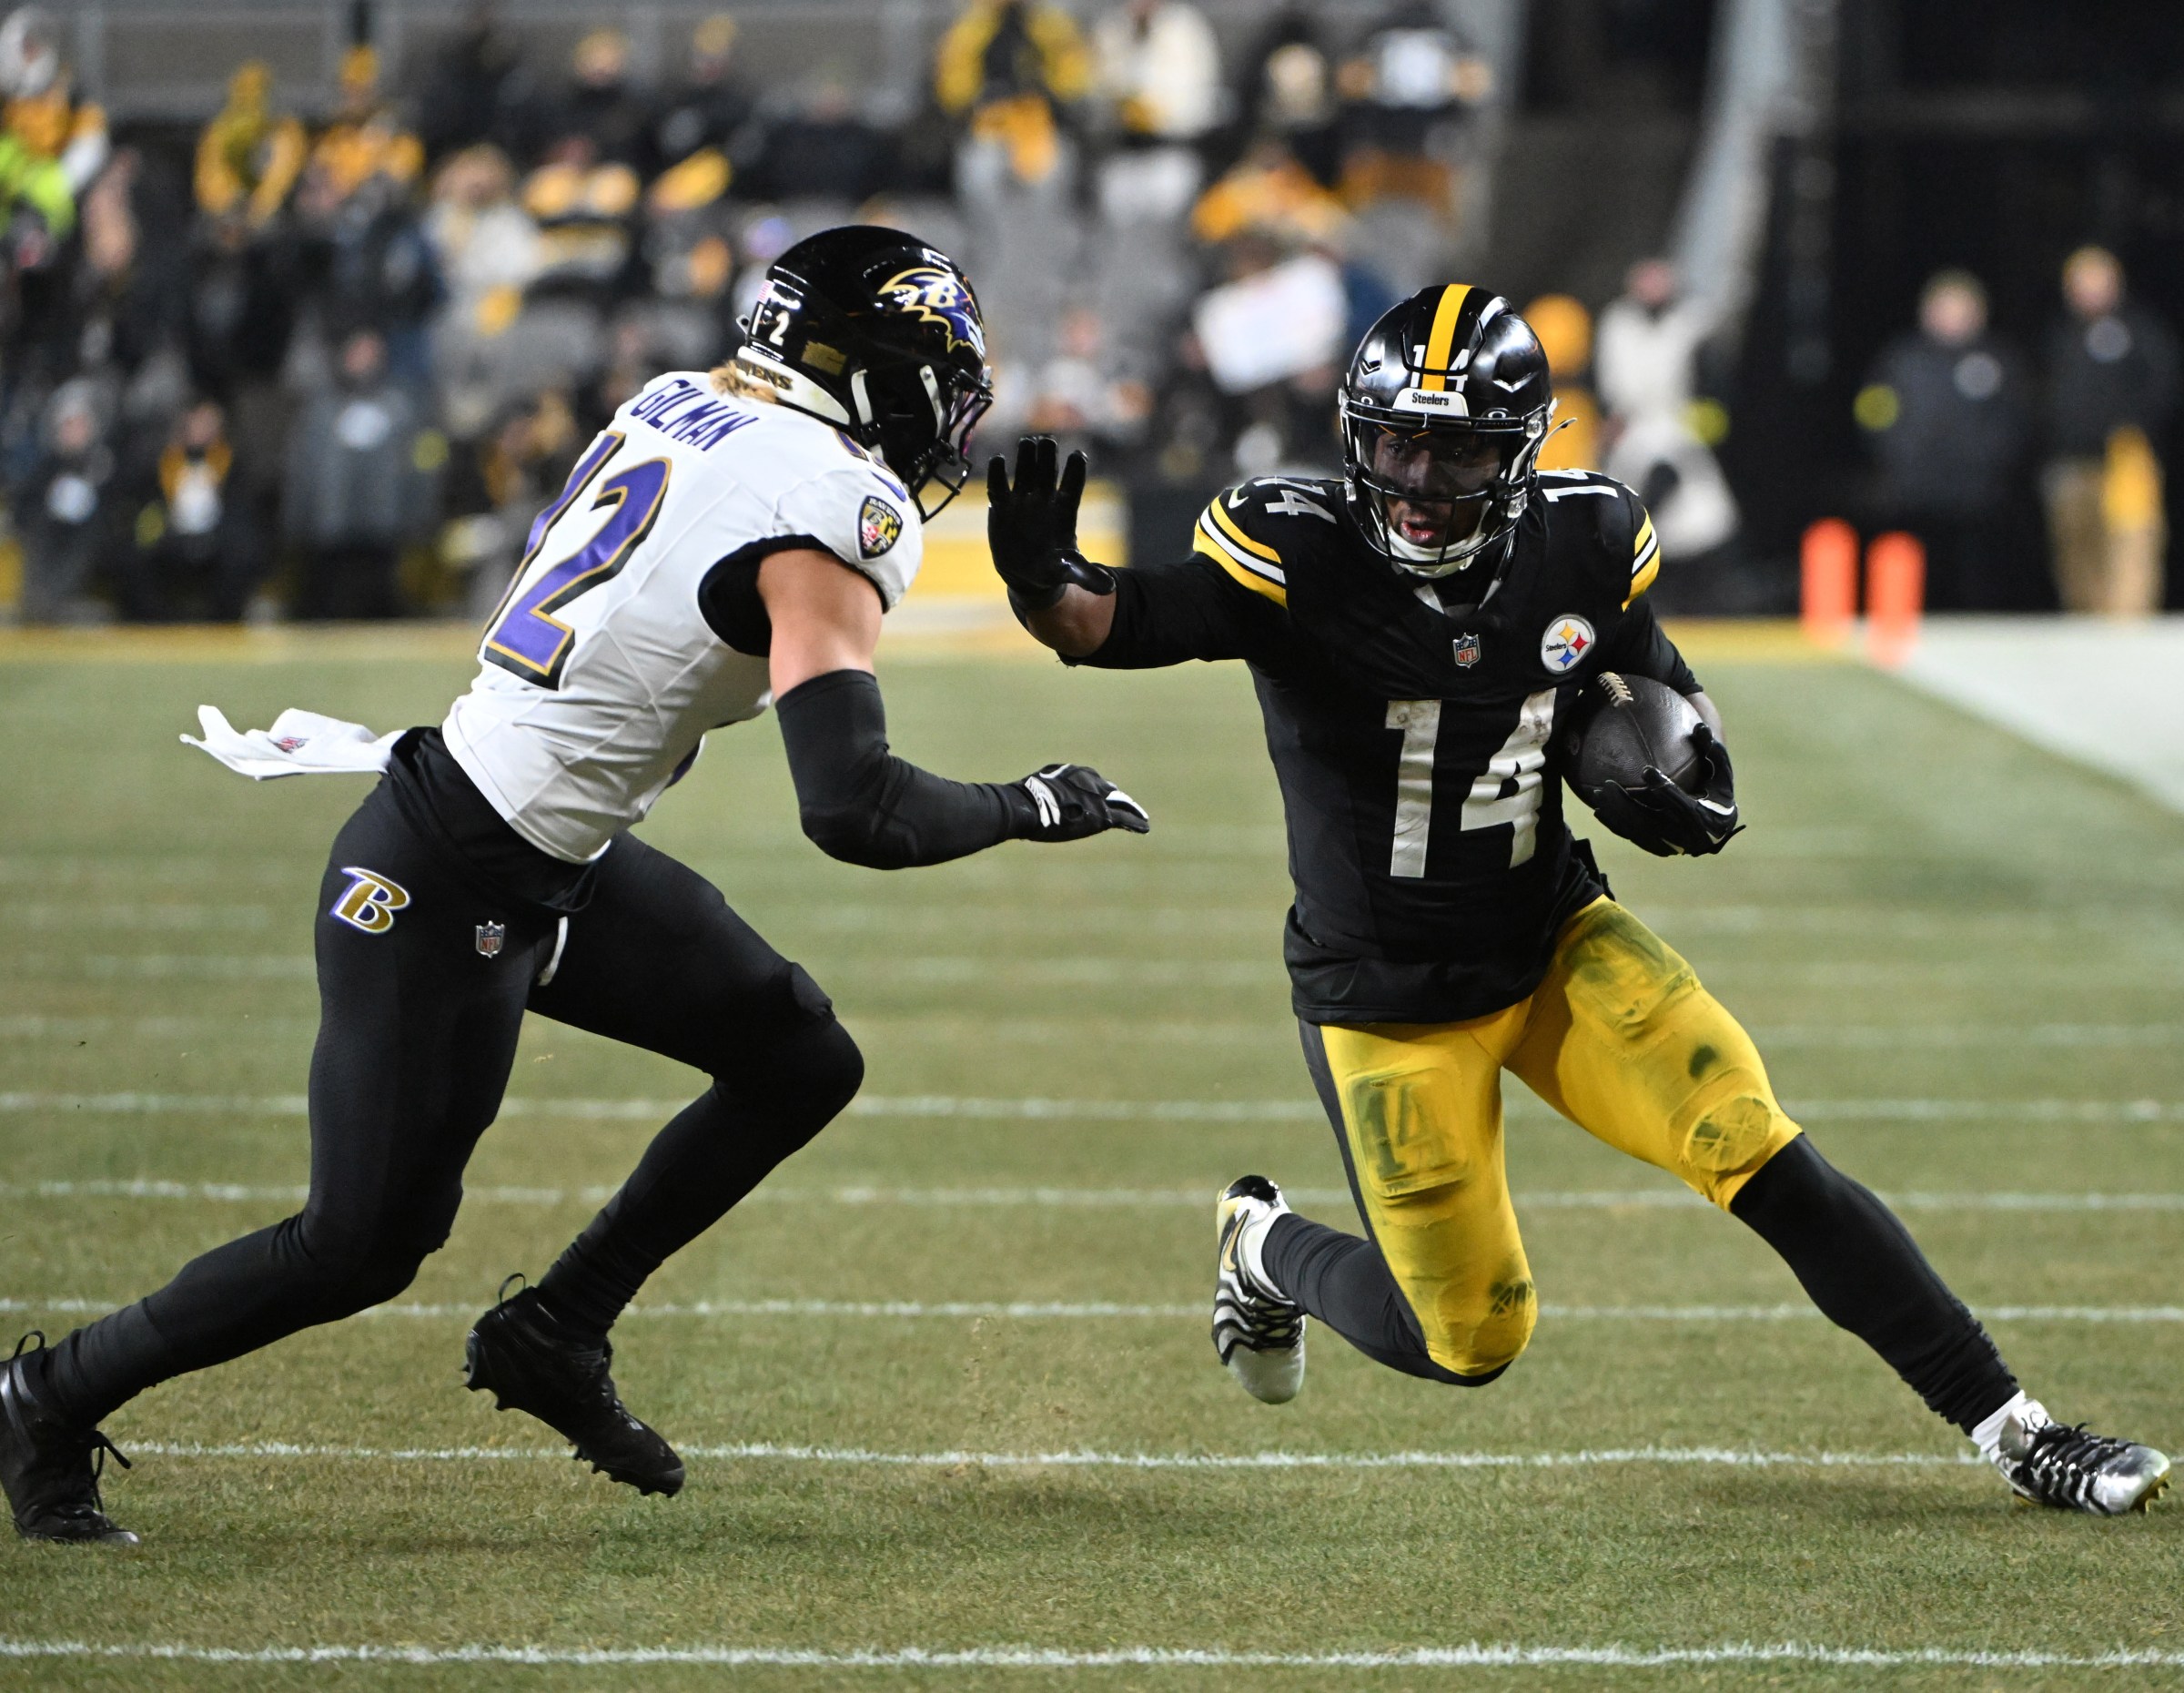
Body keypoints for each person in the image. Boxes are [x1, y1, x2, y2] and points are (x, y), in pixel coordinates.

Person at [0, 227, 1150, 1546]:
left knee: (799, 1055)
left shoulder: (691, 399)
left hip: (545, 850)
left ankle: (558, 1329)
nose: (949, 415)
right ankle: (44, 1393)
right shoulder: (836, 507)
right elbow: (855, 806)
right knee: (360, 1245)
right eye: (937, 379)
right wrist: (1030, 803)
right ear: (872, 373)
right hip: (445, 871)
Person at [988, 283, 2171, 1516]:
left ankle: (2020, 1432)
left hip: (1556, 941)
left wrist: (1688, 772)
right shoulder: (1295, 545)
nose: (1418, 479)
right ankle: (1264, 1247)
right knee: (1469, 1339)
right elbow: (1109, 623)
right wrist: (1040, 580)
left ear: (1520, 454)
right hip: (1385, 998)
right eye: (1397, 441)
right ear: (1358, 435)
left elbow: (1661, 682)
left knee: (1756, 1143)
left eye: (1455, 450)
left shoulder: (1587, 539)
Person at [1855, 270, 2037, 610]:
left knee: (1978, 575)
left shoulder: (1997, 360)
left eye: (1959, 308)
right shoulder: (1902, 359)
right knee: (1916, 568)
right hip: (1916, 490)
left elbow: (2017, 417)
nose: (1951, 317)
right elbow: (1871, 409)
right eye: (1943, 308)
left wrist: (1991, 459)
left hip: (1978, 494)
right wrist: (1896, 452)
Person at [2041, 246, 2177, 615]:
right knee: (2075, 545)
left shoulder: (2139, 330)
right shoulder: (2061, 336)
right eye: (2081, 281)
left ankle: (2129, 620)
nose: (2090, 289)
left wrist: (2132, 426)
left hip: (2125, 455)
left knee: (2132, 538)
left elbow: (2163, 385)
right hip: (2071, 457)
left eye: (2098, 279)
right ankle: (2086, 618)